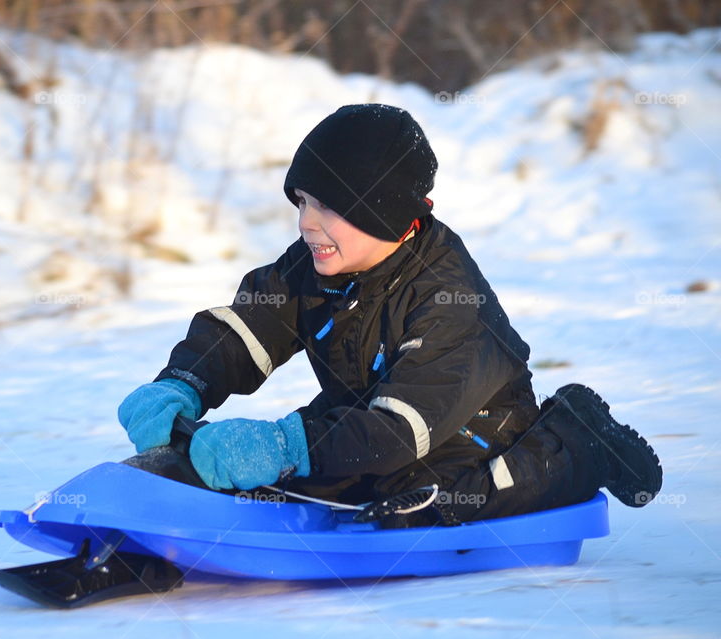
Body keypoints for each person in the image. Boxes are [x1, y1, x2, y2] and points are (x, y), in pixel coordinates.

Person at [118, 104, 663, 526]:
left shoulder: (450, 301)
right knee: (283, 483)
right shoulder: (316, 264)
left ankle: (575, 442)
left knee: (422, 510)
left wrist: (283, 444)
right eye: (302, 200)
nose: (306, 222)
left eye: (327, 206)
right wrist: (183, 383)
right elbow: (248, 331)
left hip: (468, 435)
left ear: (382, 212)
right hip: (365, 421)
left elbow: (401, 431)